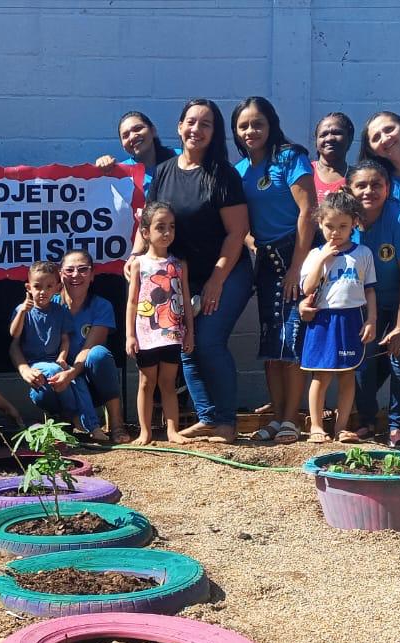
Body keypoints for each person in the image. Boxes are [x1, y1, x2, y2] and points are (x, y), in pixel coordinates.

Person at [140, 98, 252, 442]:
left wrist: (217, 281)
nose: (196, 129)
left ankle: (226, 422)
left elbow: (237, 233)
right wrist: (136, 255)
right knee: (184, 344)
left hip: (227, 272)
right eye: (191, 122)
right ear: (179, 126)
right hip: (180, 278)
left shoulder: (223, 174)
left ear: (214, 133)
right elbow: (150, 218)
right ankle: (207, 418)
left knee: (207, 340)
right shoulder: (164, 171)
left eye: (206, 124)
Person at [233, 97, 316, 445]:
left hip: (296, 253)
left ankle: (292, 418)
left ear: (271, 125)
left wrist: (298, 266)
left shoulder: (290, 158)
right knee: (272, 341)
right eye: (243, 126)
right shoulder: (239, 170)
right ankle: (276, 416)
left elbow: (308, 211)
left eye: (258, 124)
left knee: (293, 335)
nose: (251, 131)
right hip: (267, 260)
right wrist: (254, 245)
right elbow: (241, 222)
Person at [347, 160, 400, 449]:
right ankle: (367, 421)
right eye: (361, 185)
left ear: (387, 188)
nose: (369, 191)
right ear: (349, 189)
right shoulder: (345, 219)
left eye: (376, 184)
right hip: (363, 307)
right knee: (361, 365)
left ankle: (398, 428)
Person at [298, 190, 377, 443]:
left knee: (347, 374)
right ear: (320, 223)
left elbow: (369, 290)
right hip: (323, 321)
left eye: (343, 226)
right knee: (320, 375)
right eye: (329, 226)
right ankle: (316, 427)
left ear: (354, 222)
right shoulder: (314, 255)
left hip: (352, 319)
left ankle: (342, 427)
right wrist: (322, 258)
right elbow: (307, 289)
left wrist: (371, 320)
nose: (336, 232)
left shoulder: (363, 253)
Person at [8, 262, 103, 439]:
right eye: (37, 287)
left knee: (78, 380)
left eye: (49, 287)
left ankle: (93, 425)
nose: (43, 292)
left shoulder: (60, 311)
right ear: (29, 287)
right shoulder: (23, 310)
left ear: (58, 288)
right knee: (54, 372)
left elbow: (65, 339)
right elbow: (14, 335)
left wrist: (62, 357)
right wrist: (22, 312)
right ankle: (73, 416)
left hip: (55, 361)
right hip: (36, 364)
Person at [125, 202, 194, 445]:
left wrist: (189, 333)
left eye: (171, 227)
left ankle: (172, 430)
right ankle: (145, 431)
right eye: (160, 227)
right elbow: (132, 302)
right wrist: (130, 335)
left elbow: (184, 299)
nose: (167, 233)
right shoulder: (139, 264)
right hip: (146, 334)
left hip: (173, 332)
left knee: (168, 383)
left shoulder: (178, 264)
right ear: (146, 232)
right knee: (146, 382)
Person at [56, 249, 130, 443]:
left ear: (92, 275)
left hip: (91, 382)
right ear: (60, 273)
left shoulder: (102, 306)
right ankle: (65, 424)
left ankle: (116, 424)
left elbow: (88, 348)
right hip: (60, 381)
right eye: (69, 270)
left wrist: (71, 373)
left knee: (98, 354)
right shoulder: (49, 306)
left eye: (82, 269)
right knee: (44, 377)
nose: (75, 275)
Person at [93, 110, 179, 188]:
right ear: (123, 146)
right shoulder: (120, 173)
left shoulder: (180, 157)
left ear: (153, 131)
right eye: (125, 135)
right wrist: (100, 170)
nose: (132, 137)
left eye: (138, 129)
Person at [359, 111, 400, 206]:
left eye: (389, 129)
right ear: (372, 151)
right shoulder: (378, 182)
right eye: (376, 138)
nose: (385, 139)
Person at [312, 112, 354, 202]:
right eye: (323, 134)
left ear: (350, 139)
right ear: (316, 142)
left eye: (337, 133)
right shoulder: (305, 171)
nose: (329, 138)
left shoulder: (357, 177)